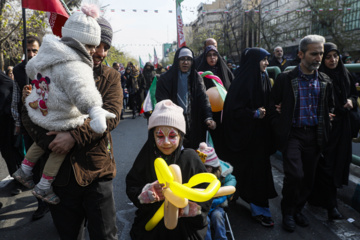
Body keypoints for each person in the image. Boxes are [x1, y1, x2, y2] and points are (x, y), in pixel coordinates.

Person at [20, 15, 122, 239]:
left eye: (105, 47)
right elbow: (32, 116)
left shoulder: (111, 77)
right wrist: (53, 142)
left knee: (105, 235)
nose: (101, 53)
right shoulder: (50, 70)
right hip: (60, 177)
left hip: (96, 171)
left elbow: (112, 117)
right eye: (96, 46)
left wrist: (74, 136)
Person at [271, 35, 334, 232]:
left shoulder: (325, 81)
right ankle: (288, 213)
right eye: (314, 53)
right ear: (300, 54)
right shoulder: (285, 79)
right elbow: (271, 107)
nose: (318, 57)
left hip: (314, 136)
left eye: (321, 54)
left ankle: (298, 210)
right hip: (293, 135)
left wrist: (328, 117)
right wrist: (280, 122)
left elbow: (329, 106)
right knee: (295, 175)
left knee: (308, 178)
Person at [126, 99, 211, 239]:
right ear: (152, 136)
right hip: (152, 226)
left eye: (172, 136)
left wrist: (190, 208)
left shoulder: (190, 158)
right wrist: (145, 194)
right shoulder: (146, 157)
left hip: (185, 229)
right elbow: (132, 185)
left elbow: (207, 192)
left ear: (181, 136)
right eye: (159, 136)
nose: (166, 142)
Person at [222, 47, 277, 227]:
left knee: (259, 174)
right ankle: (231, 195)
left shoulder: (264, 79)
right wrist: (252, 114)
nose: (267, 63)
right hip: (243, 138)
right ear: (254, 61)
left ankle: (260, 210)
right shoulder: (242, 82)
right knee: (239, 170)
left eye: (268, 60)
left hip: (259, 138)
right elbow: (232, 111)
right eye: (264, 60)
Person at [308, 43, 359, 220]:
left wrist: (352, 101)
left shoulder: (345, 74)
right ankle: (331, 205)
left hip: (342, 128)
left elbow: (354, 93)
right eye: (328, 56)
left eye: (335, 56)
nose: (333, 60)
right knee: (326, 165)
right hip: (326, 128)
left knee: (338, 163)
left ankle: (323, 200)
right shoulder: (318, 77)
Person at [156, 46, 216, 149]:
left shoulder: (196, 78)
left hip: (193, 123)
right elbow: (162, 101)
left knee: (193, 154)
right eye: (182, 59)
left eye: (189, 59)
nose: (186, 62)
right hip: (173, 123)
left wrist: (208, 117)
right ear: (177, 61)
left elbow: (203, 99)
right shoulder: (166, 79)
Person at [196, 45, 234, 159]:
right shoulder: (200, 73)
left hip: (223, 115)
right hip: (206, 115)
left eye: (214, 55)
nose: (212, 58)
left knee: (222, 144)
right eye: (209, 55)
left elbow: (232, 89)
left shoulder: (225, 71)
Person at [197, 142, 236, 240]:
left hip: (216, 205)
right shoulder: (196, 173)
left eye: (207, 167)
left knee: (218, 217)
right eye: (203, 167)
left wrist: (223, 195)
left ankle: (221, 238)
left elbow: (232, 180)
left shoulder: (221, 173)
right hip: (200, 207)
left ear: (213, 166)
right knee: (205, 221)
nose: (205, 170)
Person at [0, 71, 23, 185]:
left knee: (9, 152)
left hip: (6, 122)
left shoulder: (7, 83)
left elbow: (13, 101)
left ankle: (19, 180)